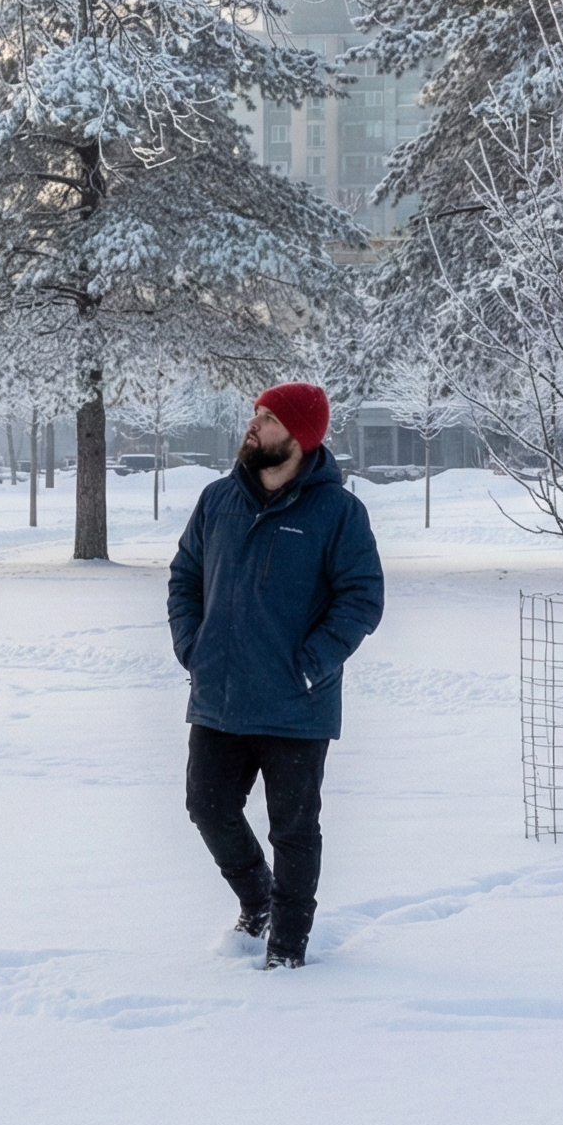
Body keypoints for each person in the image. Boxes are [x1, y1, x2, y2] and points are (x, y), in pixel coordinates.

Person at [166, 383, 385, 968]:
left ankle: (287, 946)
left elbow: (362, 599)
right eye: (256, 414)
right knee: (207, 807)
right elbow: (184, 577)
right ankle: (257, 901)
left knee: (293, 830)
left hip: (295, 703)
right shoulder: (217, 501)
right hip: (220, 696)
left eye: (266, 418)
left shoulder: (338, 512)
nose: (253, 424)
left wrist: (311, 664)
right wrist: (193, 647)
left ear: (298, 435)